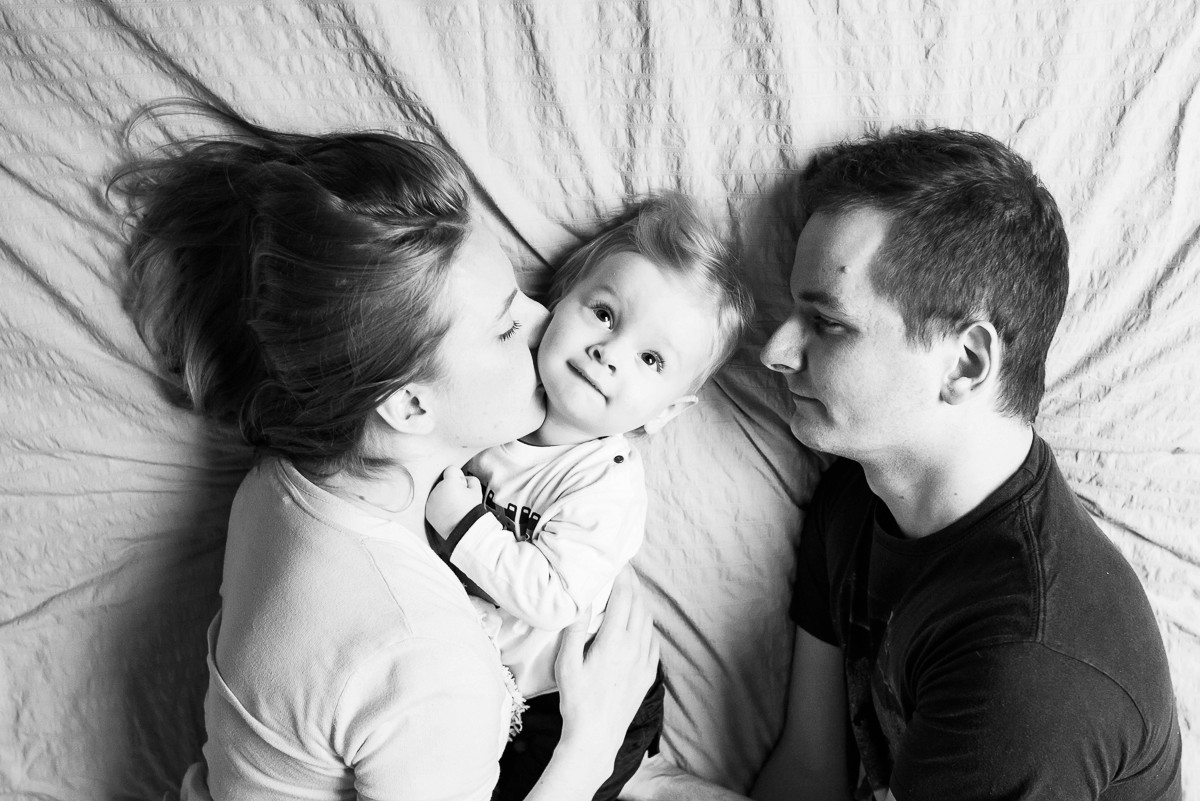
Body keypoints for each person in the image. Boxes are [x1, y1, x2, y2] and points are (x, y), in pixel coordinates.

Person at [111, 99, 659, 801]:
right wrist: (590, 745)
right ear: (408, 404)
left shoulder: (281, 481)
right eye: (503, 325)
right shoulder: (424, 657)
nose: (544, 319)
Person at [621, 127, 1183, 801]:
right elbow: (807, 775)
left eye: (827, 322)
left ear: (966, 362)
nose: (774, 349)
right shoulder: (857, 496)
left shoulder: (1029, 664)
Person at [424, 192, 755, 801]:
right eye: (603, 313)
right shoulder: (490, 406)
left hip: (570, 694)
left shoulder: (606, 482)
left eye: (652, 358)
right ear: (552, 307)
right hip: (501, 685)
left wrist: (463, 523)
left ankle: (652, 781)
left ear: (664, 414)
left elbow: (552, 599)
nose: (610, 353)